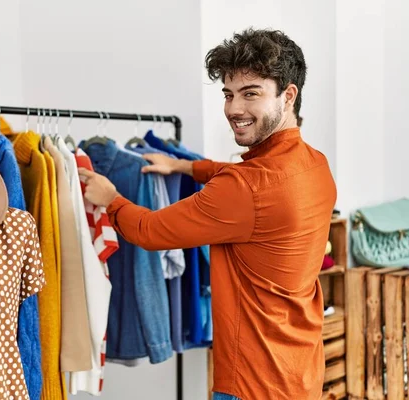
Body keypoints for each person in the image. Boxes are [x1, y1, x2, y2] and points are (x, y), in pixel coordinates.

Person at [78, 28, 336, 400]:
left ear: (288, 94)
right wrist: (185, 168)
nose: (234, 109)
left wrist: (111, 198)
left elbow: (150, 231)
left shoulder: (244, 188)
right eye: (229, 95)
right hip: (300, 371)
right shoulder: (316, 166)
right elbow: (248, 183)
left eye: (251, 94)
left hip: (250, 383)